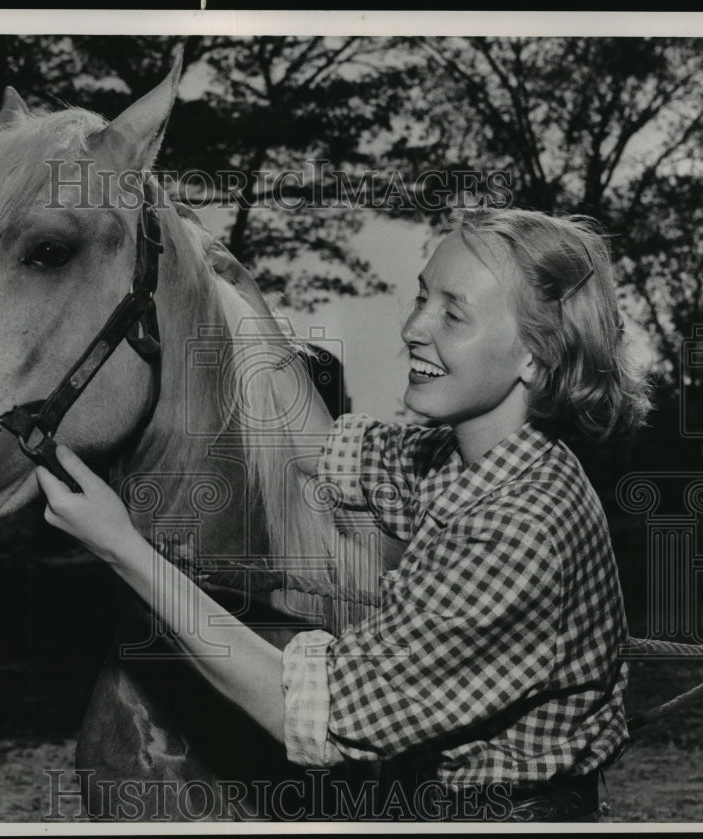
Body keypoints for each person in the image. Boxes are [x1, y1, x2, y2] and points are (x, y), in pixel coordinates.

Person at [35, 207, 652, 822]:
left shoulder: (516, 530)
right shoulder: (472, 462)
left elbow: (310, 715)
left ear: (535, 358)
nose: (413, 328)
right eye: (422, 298)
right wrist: (253, 314)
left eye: (453, 314)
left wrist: (122, 548)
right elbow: (319, 446)